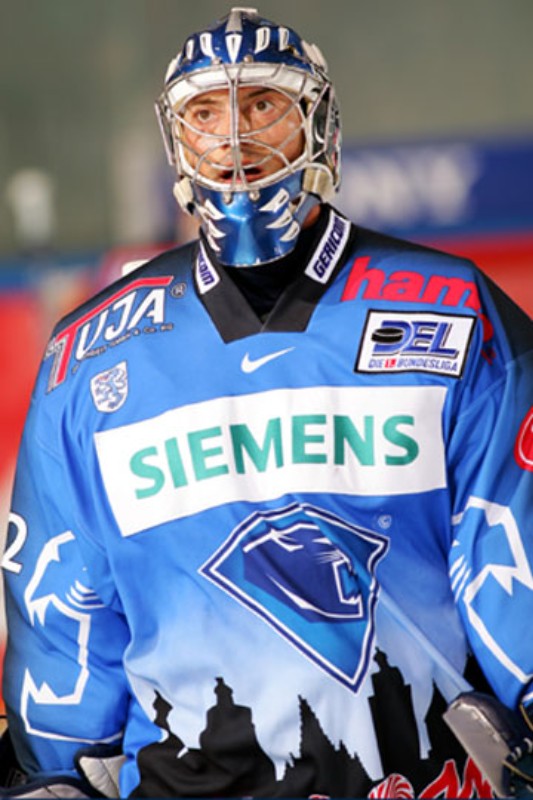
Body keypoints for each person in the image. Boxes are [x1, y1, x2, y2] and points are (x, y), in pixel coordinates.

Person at [1, 6, 533, 798]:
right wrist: (53, 770)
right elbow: (63, 618)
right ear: (177, 140)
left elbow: (513, 546)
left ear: (318, 125)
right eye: (205, 114)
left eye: (262, 104)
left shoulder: (455, 310)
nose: (234, 136)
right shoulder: (87, 358)